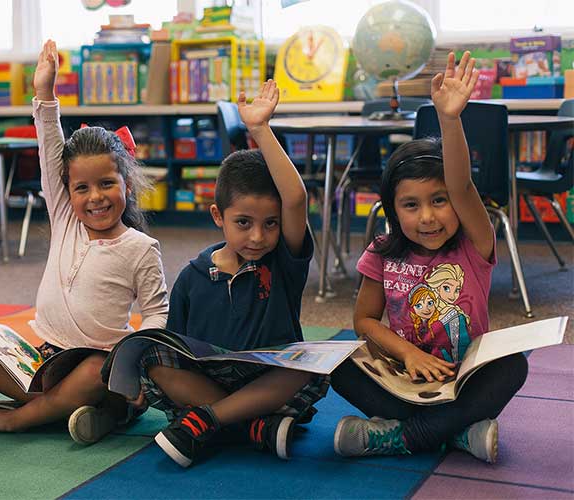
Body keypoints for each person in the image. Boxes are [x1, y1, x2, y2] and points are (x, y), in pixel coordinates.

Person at [0, 39, 168, 445]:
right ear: (67, 192)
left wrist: (134, 359)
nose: (94, 197)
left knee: (96, 375)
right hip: (47, 356)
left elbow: (156, 313)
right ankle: (78, 412)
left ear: (126, 185)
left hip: (99, 362)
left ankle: (14, 420)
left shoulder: (140, 247)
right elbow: (49, 149)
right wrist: (45, 93)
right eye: (82, 188)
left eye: (106, 184)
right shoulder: (66, 219)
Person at [331, 51, 528, 464]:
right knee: (338, 362)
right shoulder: (382, 252)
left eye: (439, 201)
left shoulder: (474, 244)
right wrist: (408, 354)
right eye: (411, 205)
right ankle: (458, 434)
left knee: (513, 366)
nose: (428, 217)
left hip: (464, 380)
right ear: (392, 209)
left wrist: (450, 120)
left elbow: (462, 188)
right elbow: (363, 321)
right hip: (408, 379)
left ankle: (402, 437)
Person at [135, 79, 327, 468]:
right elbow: (176, 348)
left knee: (307, 365)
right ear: (218, 217)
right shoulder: (193, 275)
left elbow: (295, 198)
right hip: (210, 382)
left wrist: (260, 130)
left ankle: (212, 421)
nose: (258, 236)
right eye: (243, 223)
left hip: (269, 381)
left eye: (271, 224)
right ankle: (253, 427)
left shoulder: (282, 265)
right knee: (153, 358)